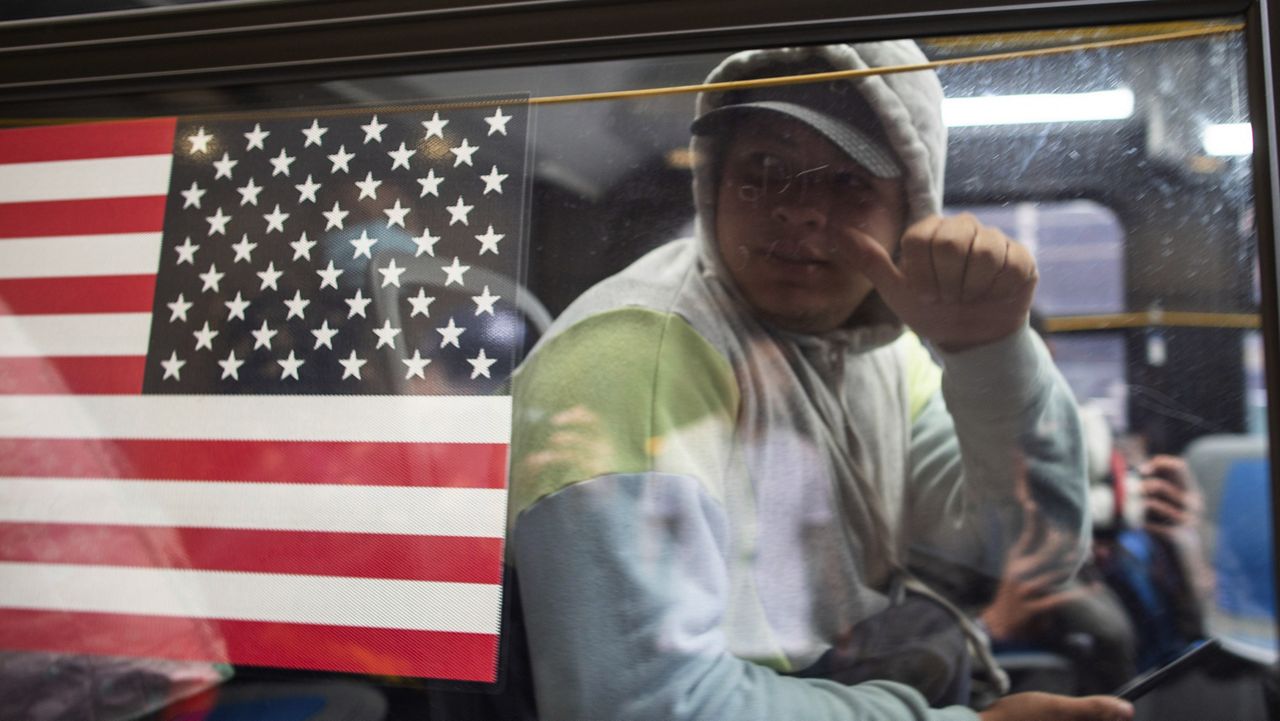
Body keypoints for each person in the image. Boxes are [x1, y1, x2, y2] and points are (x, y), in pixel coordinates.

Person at [505, 41, 1134, 721]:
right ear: (715, 183)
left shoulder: (887, 356)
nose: (800, 209)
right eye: (766, 170)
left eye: (850, 181)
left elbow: (1027, 553)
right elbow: (642, 703)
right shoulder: (629, 359)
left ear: (912, 213)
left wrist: (992, 355)